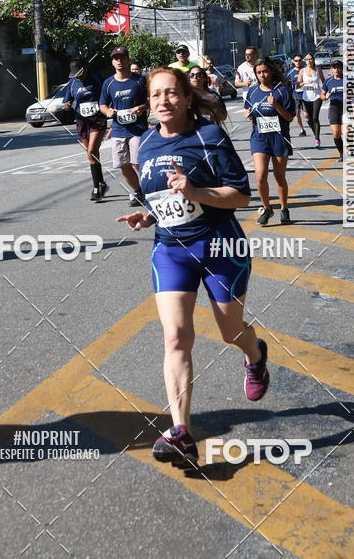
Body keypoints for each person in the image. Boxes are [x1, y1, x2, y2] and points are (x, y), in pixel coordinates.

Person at [117, 67, 268, 468]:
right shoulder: (145, 143)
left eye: (170, 94)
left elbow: (239, 195)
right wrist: (147, 217)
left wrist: (196, 191)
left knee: (231, 330)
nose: (163, 101)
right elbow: (158, 198)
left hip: (220, 246)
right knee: (175, 338)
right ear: (148, 103)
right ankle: (181, 431)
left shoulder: (210, 136)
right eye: (155, 96)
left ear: (186, 98)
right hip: (171, 250)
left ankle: (255, 356)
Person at [244, 57, 295, 226]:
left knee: (279, 177)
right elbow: (250, 113)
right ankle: (267, 208)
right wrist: (249, 114)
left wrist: (277, 106)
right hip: (259, 137)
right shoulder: (252, 91)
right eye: (259, 73)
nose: (262, 75)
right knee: (260, 176)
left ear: (272, 71)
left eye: (265, 71)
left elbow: (289, 117)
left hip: (279, 137)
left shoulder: (282, 90)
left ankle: (284, 208)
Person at [100, 46, 148, 206]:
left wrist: (142, 107)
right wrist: (108, 111)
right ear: (112, 62)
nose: (119, 61)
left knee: (137, 163)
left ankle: (150, 190)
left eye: (122, 57)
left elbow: (151, 100)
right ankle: (138, 191)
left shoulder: (139, 80)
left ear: (128, 60)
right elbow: (102, 105)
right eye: (116, 58)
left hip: (138, 130)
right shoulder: (108, 83)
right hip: (119, 130)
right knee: (123, 164)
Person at [62, 58, 108, 202]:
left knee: (91, 151)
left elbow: (106, 97)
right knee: (92, 154)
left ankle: (96, 189)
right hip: (82, 121)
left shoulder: (96, 79)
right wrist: (67, 105)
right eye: (75, 74)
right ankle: (102, 184)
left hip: (97, 120)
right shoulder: (72, 82)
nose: (78, 77)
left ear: (86, 69)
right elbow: (66, 102)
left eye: (80, 73)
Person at [297, 53, 324, 147]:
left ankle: (317, 139)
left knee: (315, 117)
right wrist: (304, 82)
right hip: (306, 97)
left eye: (311, 59)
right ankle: (315, 133)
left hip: (317, 96)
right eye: (307, 59)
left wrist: (324, 92)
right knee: (308, 117)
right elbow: (297, 85)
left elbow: (324, 82)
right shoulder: (302, 71)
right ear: (305, 61)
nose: (309, 61)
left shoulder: (318, 69)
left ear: (313, 60)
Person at [321, 60, 345, 161]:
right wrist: (325, 96)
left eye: (338, 67)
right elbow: (322, 96)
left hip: (347, 108)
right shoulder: (328, 81)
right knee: (336, 133)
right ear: (331, 69)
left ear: (342, 68)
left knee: (347, 132)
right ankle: (342, 153)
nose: (336, 69)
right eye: (334, 67)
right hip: (334, 108)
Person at [285, 55, 307, 136]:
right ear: (293, 62)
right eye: (296, 60)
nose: (298, 62)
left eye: (300, 60)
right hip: (295, 95)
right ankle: (302, 130)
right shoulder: (290, 72)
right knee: (297, 114)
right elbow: (285, 82)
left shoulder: (305, 70)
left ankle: (309, 121)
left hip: (306, 95)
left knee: (306, 114)